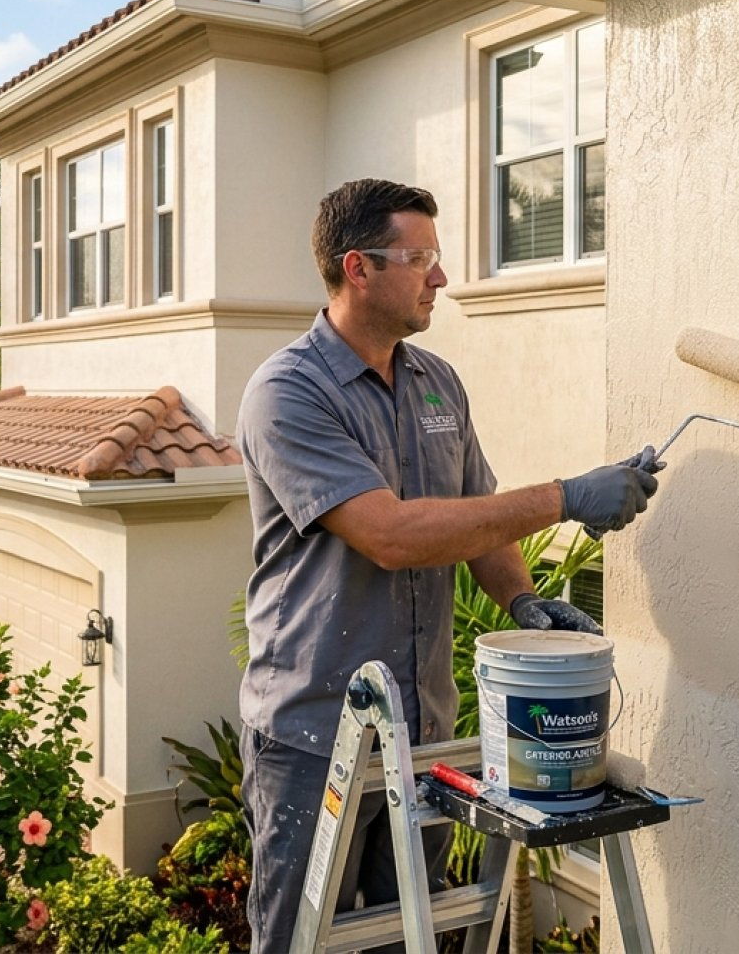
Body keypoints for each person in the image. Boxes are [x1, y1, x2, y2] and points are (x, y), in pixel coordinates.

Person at [234, 177, 661, 950]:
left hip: (418, 733)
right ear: (357, 267)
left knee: (407, 935)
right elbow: (392, 534)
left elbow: (476, 513)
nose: (441, 276)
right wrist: (567, 496)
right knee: (298, 940)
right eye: (421, 256)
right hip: (309, 739)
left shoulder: (438, 384)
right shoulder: (288, 392)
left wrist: (523, 602)